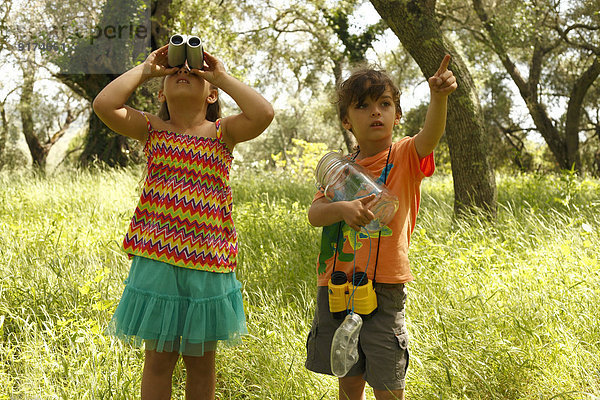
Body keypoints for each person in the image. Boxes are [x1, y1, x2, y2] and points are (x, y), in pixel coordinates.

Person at [93, 43, 274, 399]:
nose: (183, 73)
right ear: (161, 91)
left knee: (202, 363)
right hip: (157, 261)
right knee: (159, 360)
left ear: (211, 95)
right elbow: (104, 105)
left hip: (208, 265)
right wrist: (146, 69)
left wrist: (220, 75)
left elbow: (264, 113)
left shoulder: (224, 133)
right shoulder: (152, 129)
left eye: (193, 73)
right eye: (177, 71)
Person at [305, 55, 457, 400]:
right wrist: (342, 208)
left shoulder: (405, 155)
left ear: (397, 115)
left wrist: (439, 98)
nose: (376, 112)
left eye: (384, 104)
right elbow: (315, 214)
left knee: (388, 381)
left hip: (385, 287)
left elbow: (430, 136)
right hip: (337, 284)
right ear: (347, 120)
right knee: (348, 374)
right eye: (363, 106)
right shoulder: (339, 171)